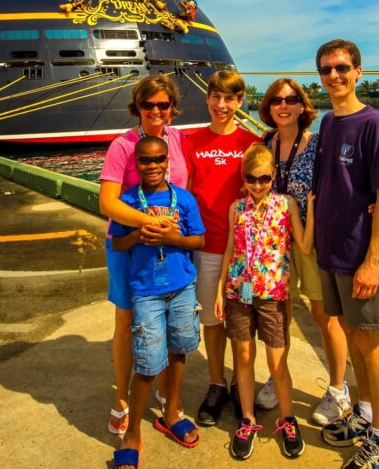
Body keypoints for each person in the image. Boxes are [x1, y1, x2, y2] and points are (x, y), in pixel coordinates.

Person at [312, 39, 379, 468]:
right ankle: (366, 416)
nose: (334, 76)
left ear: (359, 71)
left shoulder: (375, 124)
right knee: (352, 334)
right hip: (333, 253)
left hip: (360, 257)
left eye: (342, 67)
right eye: (326, 69)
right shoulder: (328, 123)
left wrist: (371, 260)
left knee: (370, 344)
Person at [253, 78, 352, 426]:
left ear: (302, 106)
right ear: (268, 106)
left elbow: (347, 177)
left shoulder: (319, 144)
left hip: (312, 241)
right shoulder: (264, 144)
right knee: (277, 317)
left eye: (292, 99)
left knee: (325, 316)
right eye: (277, 100)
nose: (284, 105)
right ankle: (276, 376)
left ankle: (339, 389)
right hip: (273, 245)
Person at [99, 75, 189, 437]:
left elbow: (185, 189)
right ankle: (121, 397)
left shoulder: (179, 140)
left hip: (168, 245)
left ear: (172, 108)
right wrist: (151, 222)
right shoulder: (122, 145)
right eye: (148, 104)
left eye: (163, 105)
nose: (155, 111)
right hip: (127, 244)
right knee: (126, 321)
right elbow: (107, 201)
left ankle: (170, 400)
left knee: (168, 319)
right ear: (136, 106)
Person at [109, 136, 204, 469]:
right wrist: (139, 234)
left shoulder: (185, 199)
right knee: (148, 362)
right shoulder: (128, 201)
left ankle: (171, 410)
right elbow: (118, 244)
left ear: (168, 161)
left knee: (179, 350)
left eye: (158, 159)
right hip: (146, 291)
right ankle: (132, 433)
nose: (152, 166)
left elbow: (200, 239)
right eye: (145, 161)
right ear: (136, 164)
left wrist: (171, 237)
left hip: (181, 287)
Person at [215, 143, 309, 460]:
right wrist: (219, 291)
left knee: (277, 363)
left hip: (274, 297)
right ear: (244, 178)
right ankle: (247, 419)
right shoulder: (235, 209)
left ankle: (287, 419)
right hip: (238, 294)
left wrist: (318, 210)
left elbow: (306, 247)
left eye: (264, 179)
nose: (257, 185)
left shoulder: (287, 205)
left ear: (274, 177)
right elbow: (230, 251)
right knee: (242, 357)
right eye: (252, 179)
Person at [181, 70, 260, 426]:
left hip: (245, 252)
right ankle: (217, 383)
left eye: (230, 99)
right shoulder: (190, 142)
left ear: (239, 102)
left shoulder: (251, 143)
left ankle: (245, 384)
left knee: (244, 323)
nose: (222, 105)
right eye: (216, 97)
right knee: (212, 320)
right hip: (208, 246)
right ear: (207, 98)